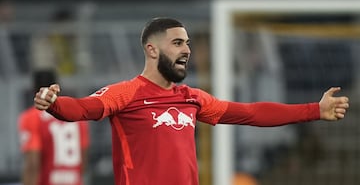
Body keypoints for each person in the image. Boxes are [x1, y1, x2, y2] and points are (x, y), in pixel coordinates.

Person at [33, 17, 349, 185]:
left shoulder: (193, 99)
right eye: (177, 42)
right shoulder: (127, 93)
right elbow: (85, 109)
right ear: (152, 49)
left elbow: (251, 113)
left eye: (188, 43)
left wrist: (314, 110)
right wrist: (55, 103)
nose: (186, 49)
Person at [19, 70, 90, 185]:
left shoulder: (31, 117)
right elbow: (83, 159)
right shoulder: (76, 117)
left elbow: (32, 163)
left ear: (34, 89)